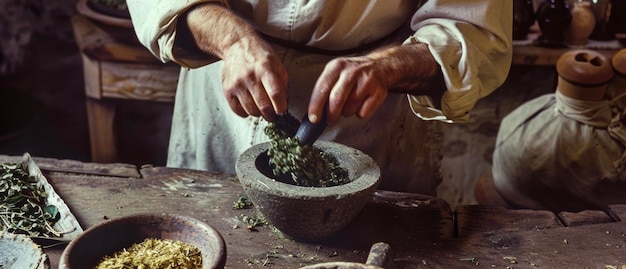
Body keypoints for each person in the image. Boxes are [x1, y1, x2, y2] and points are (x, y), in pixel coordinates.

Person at [126, 0, 512, 196]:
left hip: (373, 106)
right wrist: (231, 40)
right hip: (226, 75)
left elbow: (473, 28)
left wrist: (390, 66)